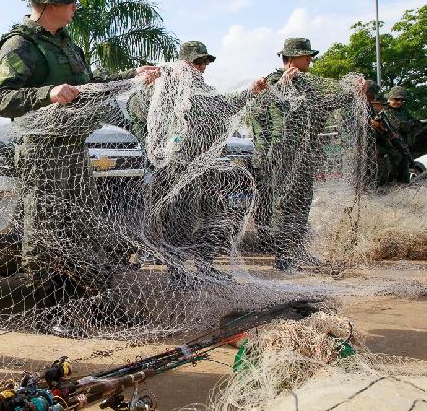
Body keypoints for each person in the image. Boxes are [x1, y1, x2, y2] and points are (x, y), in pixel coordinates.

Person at [0, 0, 156, 329]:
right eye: (70, 1)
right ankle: (48, 314)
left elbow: (91, 84)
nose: (76, 7)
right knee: (46, 231)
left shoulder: (65, 42)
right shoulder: (20, 45)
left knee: (83, 228)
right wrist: (45, 94)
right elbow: (1, 99)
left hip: (73, 147)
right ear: (49, 4)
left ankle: (93, 306)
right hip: (41, 150)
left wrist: (132, 76)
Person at [147, 41, 266, 282]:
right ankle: (178, 272)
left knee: (211, 216)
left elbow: (226, 107)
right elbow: (151, 115)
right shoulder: (169, 87)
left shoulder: (204, 89)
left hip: (206, 165)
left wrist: (251, 91)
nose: (202, 67)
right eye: (197, 62)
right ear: (184, 63)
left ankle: (205, 265)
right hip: (179, 167)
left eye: (204, 62)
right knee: (180, 220)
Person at [247, 37, 364, 270]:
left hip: (303, 154)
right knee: (284, 204)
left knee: (302, 203)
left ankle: (296, 251)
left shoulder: (308, 84)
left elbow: (325, 104)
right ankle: (283, 257)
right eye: (305, 55)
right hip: (280, 155)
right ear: (290, 58)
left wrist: (354, 94)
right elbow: (258, 111)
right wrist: (281, 86)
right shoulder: (271, 82)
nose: (310, 58)